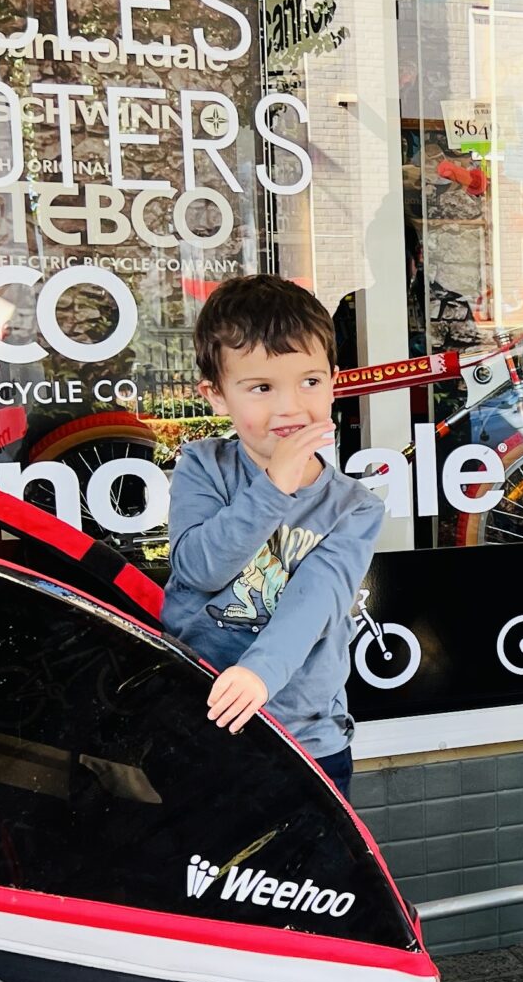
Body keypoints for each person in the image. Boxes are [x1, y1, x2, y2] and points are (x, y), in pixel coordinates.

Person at [164, 274, 387, 798]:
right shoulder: (202, 467)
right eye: (262, 388)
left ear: (334, 381)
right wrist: (274, 487)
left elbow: (314, 607)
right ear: (217, 396)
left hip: (306, 740)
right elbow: (197, 570)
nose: (290, 406)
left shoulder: (353, 508)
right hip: (198, 719)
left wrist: (259, 675)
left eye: (309, 382)